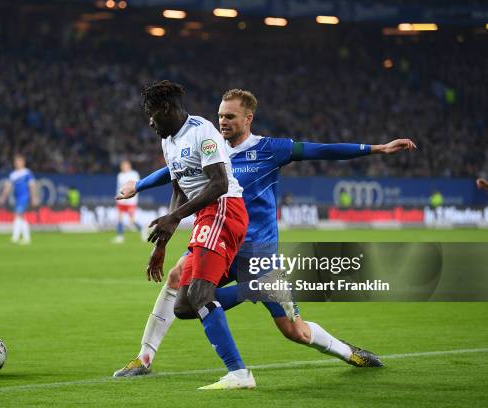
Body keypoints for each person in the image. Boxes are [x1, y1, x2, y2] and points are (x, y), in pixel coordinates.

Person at [115, 88, 417, 378]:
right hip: (216, 239)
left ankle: (349, 352)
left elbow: (320, 150)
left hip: (254, 250)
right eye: (221, 115)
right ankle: (145, 356)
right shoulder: (209, 146)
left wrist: (376, 148)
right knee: (178, 279)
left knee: (294, 331)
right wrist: (138, 185)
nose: (223, 122)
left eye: (231, 117)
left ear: (248, 119)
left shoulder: (270, 149)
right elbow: (173, 172)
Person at [140, 80, 255, 390]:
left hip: (223, 208)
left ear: (165, 109)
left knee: (201, 295)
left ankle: (240, 374)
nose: (149, 122)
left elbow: (218, 184)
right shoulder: (168, 141)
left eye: (151, 114)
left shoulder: (202, 131)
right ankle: (259, 288)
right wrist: (162, 244)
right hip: (206, 215)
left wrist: (175, 217)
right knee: (184, 307)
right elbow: (178, 190)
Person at [0, 153, 39, 244]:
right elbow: (7, 186)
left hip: (24, 197)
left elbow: (32, 185)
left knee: (17, 215)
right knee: (21, 217)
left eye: (19, 161)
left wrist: (34, 197)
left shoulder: (27, 173)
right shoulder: (13, 174)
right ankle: (26, 238)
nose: (17, 163)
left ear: (23, 162)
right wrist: (3, 197)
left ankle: (16, 237)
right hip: (17, 198)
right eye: (16, 161)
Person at [113, 160, 143, 243]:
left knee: (131, 221)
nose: (123, 167)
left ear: (129, 166)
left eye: (125, 165)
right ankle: (120, 237)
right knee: (119, 218)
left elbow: (136, 187)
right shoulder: (120, 175)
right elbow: (119, 187)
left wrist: (133, 197)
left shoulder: (134, 174)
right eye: (122, 165)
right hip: (121, 201)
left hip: (131, 201)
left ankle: (142, 230)